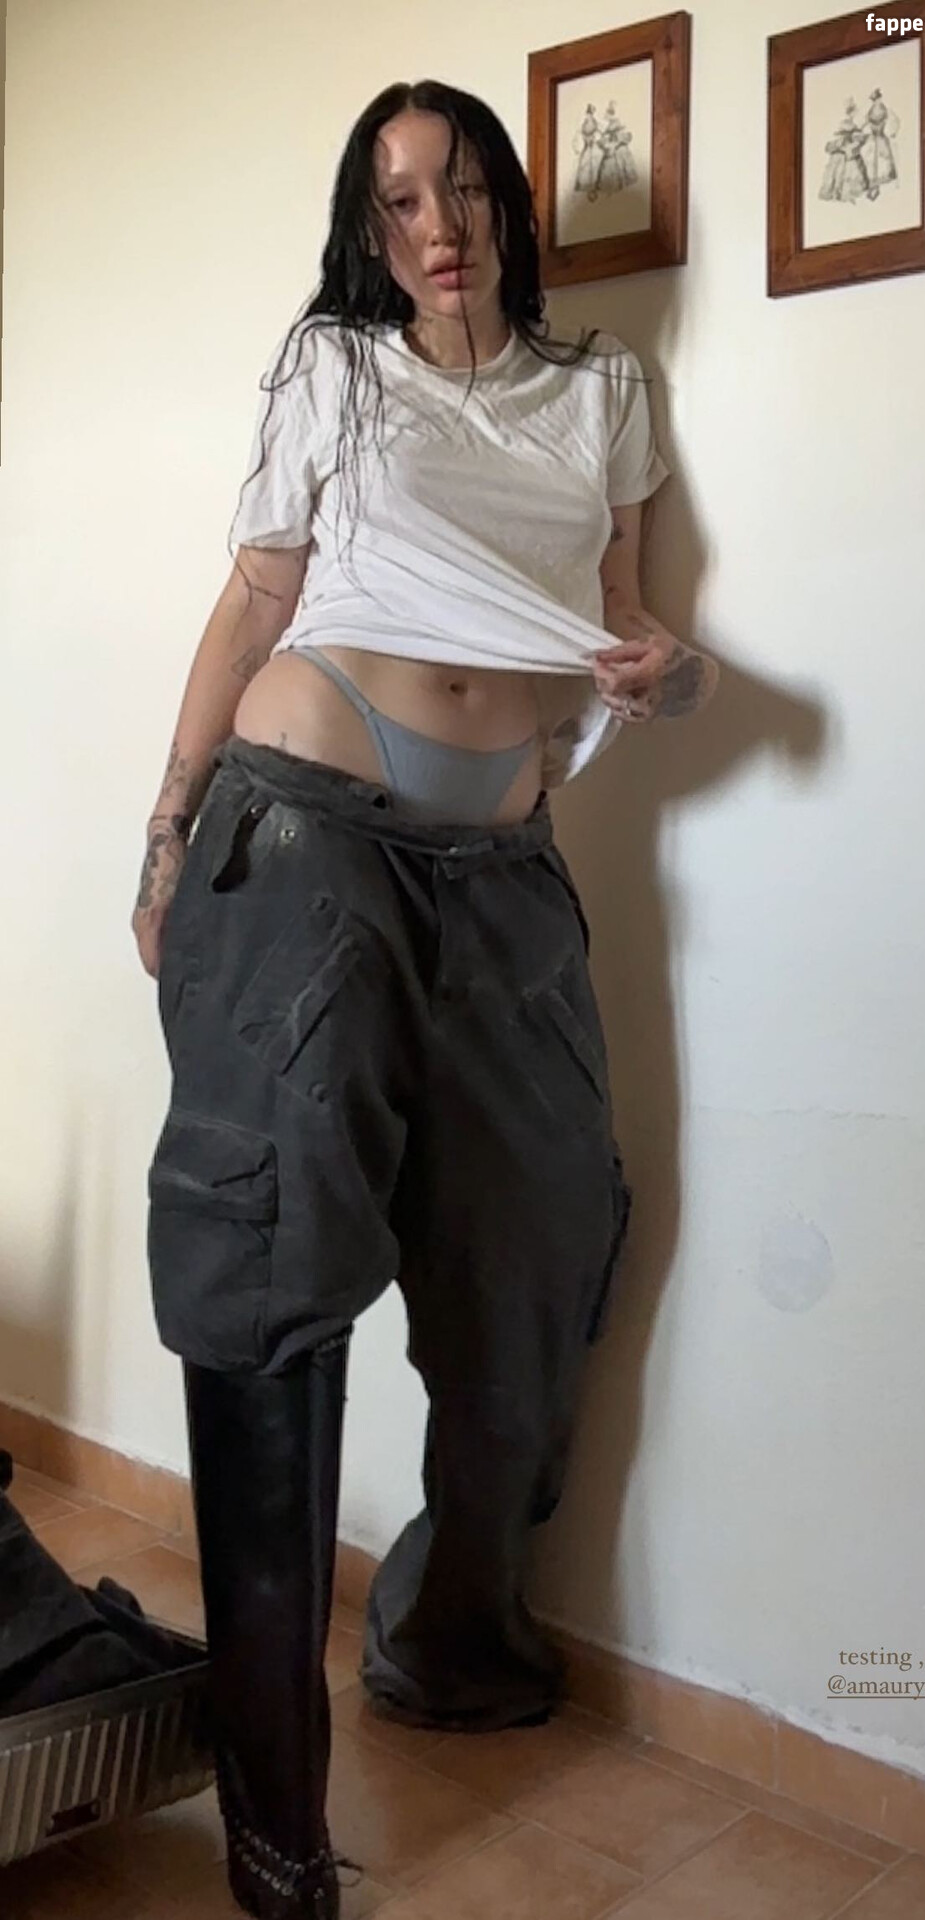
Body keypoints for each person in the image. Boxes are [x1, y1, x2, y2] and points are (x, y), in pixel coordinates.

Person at [133, 78, 719, 1920]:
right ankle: (277, 1826)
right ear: (366, 229)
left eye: (461, 188)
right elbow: (253, 603)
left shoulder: (599, 389)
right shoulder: (334, 368)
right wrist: (165, 838)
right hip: (309, 818)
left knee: (540, 1248)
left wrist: (674, 676)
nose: (436, 227)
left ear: (508, 207)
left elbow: (621, 619)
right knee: (273, 1263)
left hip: (504, 862)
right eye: (396, 201)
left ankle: (447, 1654)